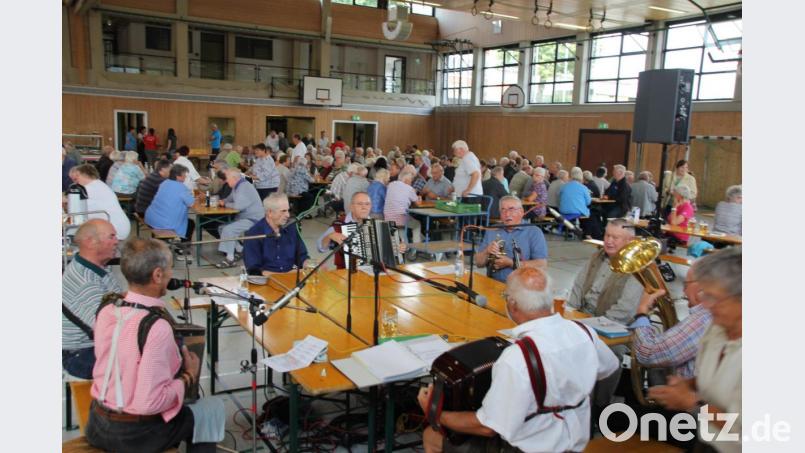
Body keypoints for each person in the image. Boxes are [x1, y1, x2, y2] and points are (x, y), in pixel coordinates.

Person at [417, 267, 619, 453]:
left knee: (432, 436)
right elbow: (610, 367)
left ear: (512, 304)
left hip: (527, 449)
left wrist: (436, 413)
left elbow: (487, 427)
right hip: (574, 444)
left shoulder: (518, 358)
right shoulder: (584, 332)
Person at [85, 238, 223, 453]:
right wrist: (188, 375)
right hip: (134, 436)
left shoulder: (107, 308)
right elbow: (149, 404)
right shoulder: (156, 327)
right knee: (209, 410)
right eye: (169, 270)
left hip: (97, 423)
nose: (171, 275)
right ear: (157, 275)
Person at [648, 248, 742, 453]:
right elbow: (713, 375)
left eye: (713, 298)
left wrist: (692, 402)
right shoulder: (717, 329)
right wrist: (686, 384)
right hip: (705, 442)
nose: (705, 305)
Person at [62, 220, 124, 379]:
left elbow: (116, 302)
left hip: (90, 346)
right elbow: (108, 330)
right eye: (111, 236)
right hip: (80, 355)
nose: (116, 241)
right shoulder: (86, 282)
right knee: (151, 355)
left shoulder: (97, 266)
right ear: (90, 242)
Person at [629, 262, 713, 378]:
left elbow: (647, 354)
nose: (684, 292)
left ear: (700, 288)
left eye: (686, 285)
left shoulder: (703, 319)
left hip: (691, 394)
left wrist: (642, 312)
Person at [566, 218, 643, 325]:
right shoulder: (597, 256)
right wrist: (570, 311)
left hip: (609, 322)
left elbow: (625, 308)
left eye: (615, 237)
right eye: (607, 235)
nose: (609, 241)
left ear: (630, 240)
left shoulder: (636, 266)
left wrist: (599, 324)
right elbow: (578, 286)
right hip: (583, 315)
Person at [475, 196, 548, 282]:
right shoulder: (492, 230)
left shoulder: (534, 232)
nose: (507, 214)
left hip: (522, 286)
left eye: (511, 209)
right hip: (493, 283)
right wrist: (486, 251)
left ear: (521, 212)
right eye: (503, 210)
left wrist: (511, 263)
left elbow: (542, 265)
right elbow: (478, 263)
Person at [244, 193, 310, 274]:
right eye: (283, 211)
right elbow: (254, 270)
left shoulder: (291, 228)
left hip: (290, 279)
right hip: (266, 283)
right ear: (270, 213)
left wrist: (309, 265)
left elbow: (302, 256)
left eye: (288, 210)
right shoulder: (254, 233)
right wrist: (284, 276)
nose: (288, 215)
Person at [214, 169, 265, 268]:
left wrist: (225, 204)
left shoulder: (244, 187)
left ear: (234, 178)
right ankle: (241, 250)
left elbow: (238, 206)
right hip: (245, 217)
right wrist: (222, 201)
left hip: (253, 218)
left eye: (227, 179)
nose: (226, 181)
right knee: (221, 228)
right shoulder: (237, 186)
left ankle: (230, 259)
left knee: (228, 229)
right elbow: (229, 198)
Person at [145, 164, 196, 252]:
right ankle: (182, 249)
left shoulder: (164, 183)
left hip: (151, 217)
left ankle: (161, 243)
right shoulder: (181, 187)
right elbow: (191, 204)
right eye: (184, 175)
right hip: (164, 223)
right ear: (178, 177)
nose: (185, 177)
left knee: (186, 221)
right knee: (191, 223)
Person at [72, 164, 131, 240]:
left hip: (114, 231)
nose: (75, 182)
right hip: (119, 227)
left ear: (84, 175)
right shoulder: (98, 184)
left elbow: (73, 206)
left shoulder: (89, 188)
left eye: (77, 178)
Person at [384, 169, 422, 243]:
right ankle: (417, 247)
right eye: (411, 180)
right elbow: (418, 204)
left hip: (388, 218)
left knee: (401, 227)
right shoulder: (409, 189)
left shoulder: (390, 185)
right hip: (400, 218)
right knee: (417, 224)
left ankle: (404, 247)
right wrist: (419, 198)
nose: (411, 182)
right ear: (406, 180)